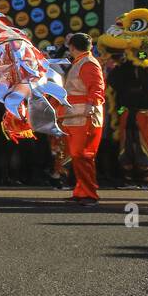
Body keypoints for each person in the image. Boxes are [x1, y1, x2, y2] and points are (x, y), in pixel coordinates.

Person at [60, 32, 106, 207]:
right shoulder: (82, 62)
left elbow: (96, 88)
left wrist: (92, 106)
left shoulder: (87, 63)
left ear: (71, 47)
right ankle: (81, 191)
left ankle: (89, 193)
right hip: (77, 116)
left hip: (85, 116)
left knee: (83, 155)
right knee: (78, 155)